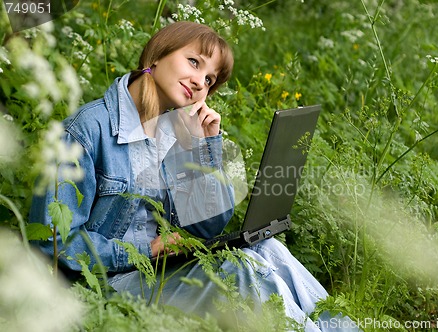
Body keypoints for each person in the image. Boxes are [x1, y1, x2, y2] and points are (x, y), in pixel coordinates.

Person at [29, 21, 360, 331]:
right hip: (106, 284)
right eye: (194, 62)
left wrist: (200, 148)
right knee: (240, 272)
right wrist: (150, 249)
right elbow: (53, 242)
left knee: (267, 249)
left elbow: (207, 227)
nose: (201, 81)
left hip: (157, 272)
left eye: (210, 79)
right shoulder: (89, 129)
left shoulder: (176, 130)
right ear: (156, 56)